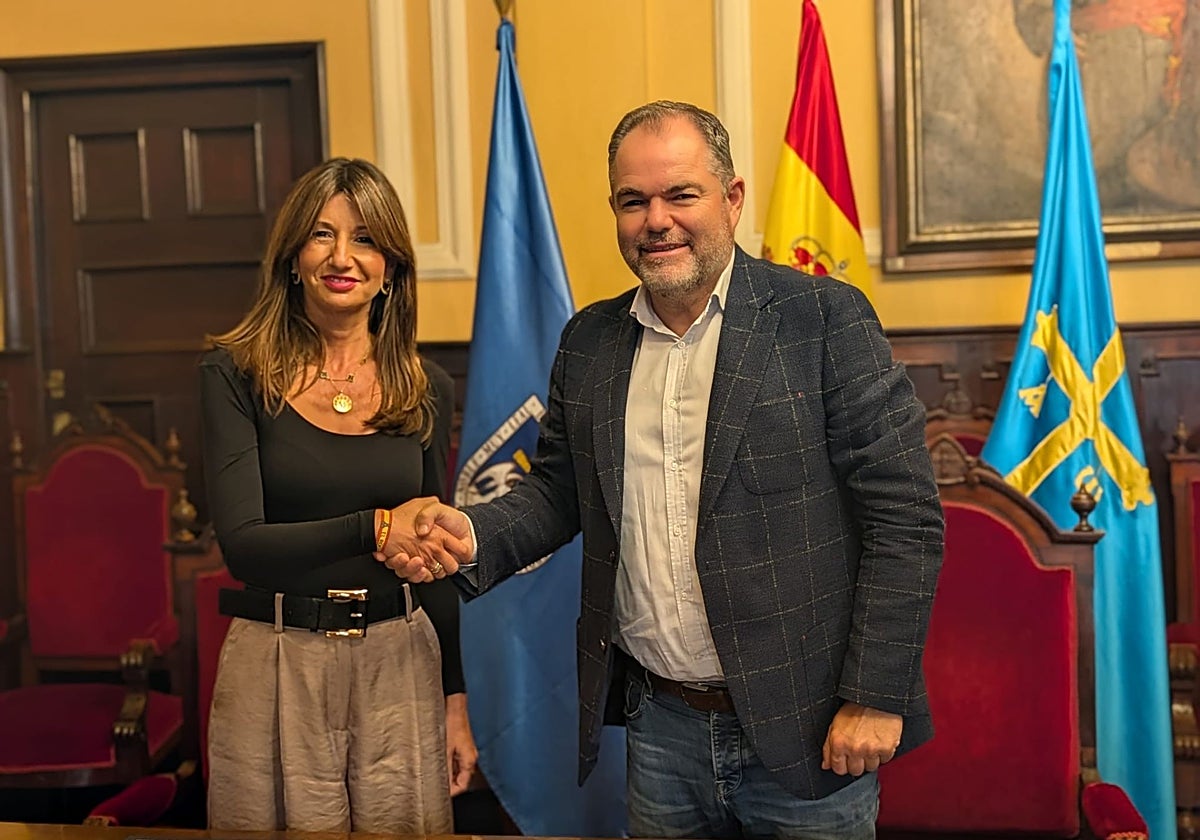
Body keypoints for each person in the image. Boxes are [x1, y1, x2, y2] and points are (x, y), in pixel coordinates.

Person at [386, 101, 944, 839]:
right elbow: (558, 492)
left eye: (681, 194)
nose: (657, 220)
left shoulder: (822, 320)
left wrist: (876, 694)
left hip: (809, 730)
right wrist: (469, 531)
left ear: (732, 199)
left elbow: (904, 519)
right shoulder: (590, 340)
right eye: (633, 201)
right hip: (662, 731)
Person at [198, 157, 476, 832]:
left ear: (392, 268)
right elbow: (244, 548)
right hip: (278, 661)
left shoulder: (425, 386)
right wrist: (375, 528)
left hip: (401, 662)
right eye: (322, 235)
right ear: (293, 258)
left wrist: (454, 701)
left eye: (366, 239)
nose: (343, 256)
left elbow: (433, 563)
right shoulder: (235, 375)